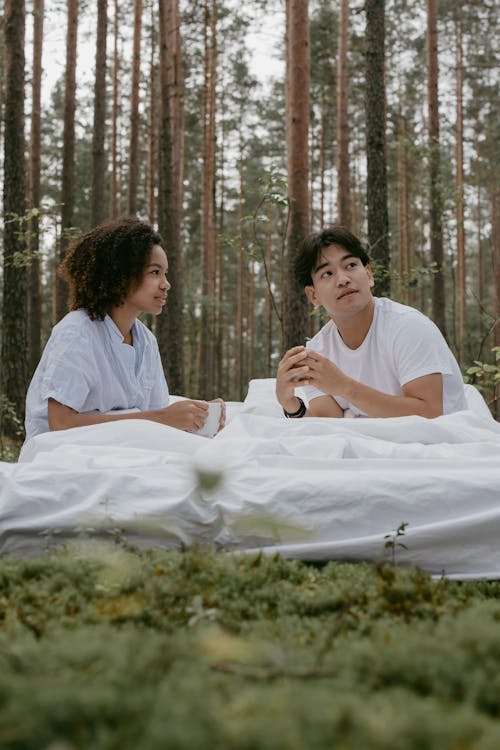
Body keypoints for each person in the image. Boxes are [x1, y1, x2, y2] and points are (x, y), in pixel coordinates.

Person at [25, 216, 225, 441]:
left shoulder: (146, 341)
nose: (166, 284)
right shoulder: (77, 333)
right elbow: (61, 424)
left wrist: (200, 414)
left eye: (165, 273)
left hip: (122, 451)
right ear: (120, 274)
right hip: (65, 456)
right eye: (155, 272)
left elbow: (155, 412)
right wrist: (162, 418)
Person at [276, 225, 467, 420]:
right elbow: (329, 424)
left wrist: (345, 387)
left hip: (439, 445)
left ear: (368, 275)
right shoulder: (320, 348)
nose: (343, 279)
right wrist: (290, 404)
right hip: (374, 446)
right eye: (327, 273)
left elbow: (430, 413)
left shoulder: (408, 326)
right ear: (313, 295)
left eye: (350, 265)